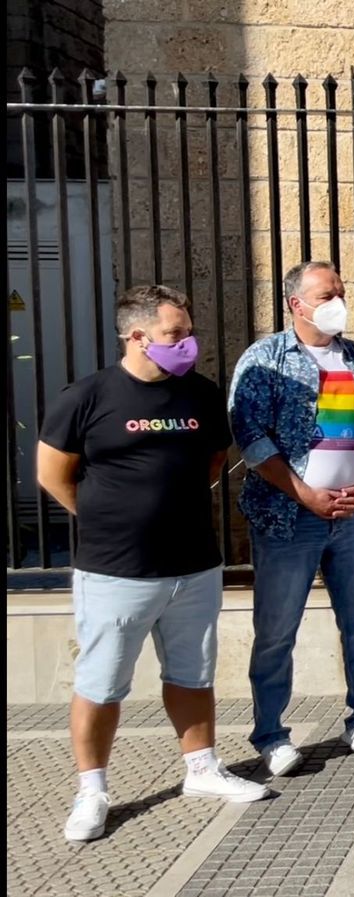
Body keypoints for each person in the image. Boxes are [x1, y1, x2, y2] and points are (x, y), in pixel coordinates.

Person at [37, 285, 269, 842]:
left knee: (193, 674)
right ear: (136, 336)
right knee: (102, 683)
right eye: (175, 333)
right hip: (116, 571)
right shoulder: (87, 397)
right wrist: (105, 518)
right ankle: (92, 790)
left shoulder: (201, 395)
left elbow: (215, 459)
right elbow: (52, 475)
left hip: (193, 567)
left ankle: (202, 769)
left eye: (188, 331)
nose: (187, 342)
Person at [229, 261, 354, 775]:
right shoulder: (266, 359)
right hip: (290, 518)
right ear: (295, 304)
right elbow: (251, 437)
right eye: (327, 295)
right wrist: (303, 492)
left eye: (341, 293)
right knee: (277, 630)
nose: (338, 303)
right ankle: (271, 734)